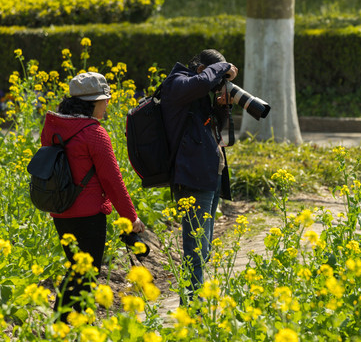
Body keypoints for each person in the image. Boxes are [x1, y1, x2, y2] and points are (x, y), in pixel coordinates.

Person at [40, 72, 145, 322]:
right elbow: (112, 181)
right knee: (86, 273)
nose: (107, 103)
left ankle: (71, 325)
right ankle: (66, 326)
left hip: (60, 210)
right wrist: (131, 218)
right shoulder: (94, 133)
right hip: (88, 215)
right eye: (104, 99)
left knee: (78, 270)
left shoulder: (53, 127)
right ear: (91, 103)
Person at [160, 49, 238, 302]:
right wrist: (223, 67)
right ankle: (192, 307)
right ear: (201, 69)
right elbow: (204, 81)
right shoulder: (177, 83)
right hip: (192, 177)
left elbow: (209, 130)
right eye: (217, 77)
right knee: (195, 247)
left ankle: (192, 301)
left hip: (209, 175)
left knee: (202, 247)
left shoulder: (197, 92)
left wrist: (222, 107)